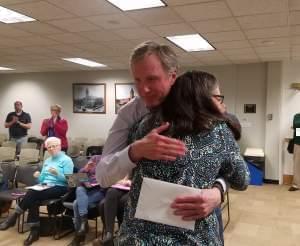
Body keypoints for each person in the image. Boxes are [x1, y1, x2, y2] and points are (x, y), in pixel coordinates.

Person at [96, 41, 227, 242]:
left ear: (172, 76)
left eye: (152, 79)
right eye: (137, 80)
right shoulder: (129, 114)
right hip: (147, 225)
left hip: (198, 215)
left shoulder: (200, 105)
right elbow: (103, 176)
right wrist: (135, 151)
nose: (143, 89)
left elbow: (230, 163)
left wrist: (218, 192)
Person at [117, 70, 249, 245]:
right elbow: (242, 179)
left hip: (137, 237)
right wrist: (219, 188)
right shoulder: (218, 132)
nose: (222, 104)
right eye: (218, 98)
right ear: (204, 99)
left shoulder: (144, 125)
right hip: (193, 238)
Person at [0, 137, 73, 245]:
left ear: (59, 146)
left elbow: (70, 182)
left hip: (60, 187)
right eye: (49, 147)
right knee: (33, 199)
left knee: (32, 193)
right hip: (44, 186)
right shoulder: (47, 160)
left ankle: (14, 217)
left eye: (54, 146)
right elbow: (42, 179)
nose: (52, 149)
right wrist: (38, 177)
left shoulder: (67, 160)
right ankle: (34, 232)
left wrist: (57, 174)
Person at [70, 155, 106, 246]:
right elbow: (76, 177)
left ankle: (79, 235)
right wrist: (85, 169)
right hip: (87, 187)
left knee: (76, 203)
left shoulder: (112, 159)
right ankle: (83, 224)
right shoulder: (95, 157)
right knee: (79, 188)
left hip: (100, 189)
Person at [98, 177, 131, 246]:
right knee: (110, 192)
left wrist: (130, 182)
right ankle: (109, 234)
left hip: (134, 188)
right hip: (120, 186)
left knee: (123, 202)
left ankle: (121, 236)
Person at [289, 113, 300, 191]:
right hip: (298, 143)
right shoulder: (297, 116)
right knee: (297, 164)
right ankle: (296, 185)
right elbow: (296, 125)